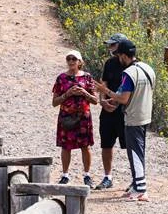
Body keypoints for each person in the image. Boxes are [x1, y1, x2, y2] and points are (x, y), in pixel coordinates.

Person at [93, 40, 156, 201]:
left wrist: (104, 91)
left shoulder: (129, 73)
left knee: (134, 152)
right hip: (145, 114)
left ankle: (140, 189)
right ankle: (136, 184)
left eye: (118, 54)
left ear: (122, 55)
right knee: (139, 150)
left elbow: (123, 97)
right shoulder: (147, 68)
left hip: (133, 117)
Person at [51, 49, 98, 186]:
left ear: (79, 62)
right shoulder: (61, 78)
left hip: (83, 117)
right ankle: (65, 175)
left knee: (85, 146)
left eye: (74, 59)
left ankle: (87, 175)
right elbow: (54, 102)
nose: (71, 61)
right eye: (69, 59)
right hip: (66, 116)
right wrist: (67, 94)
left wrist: (84, 93)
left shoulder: (87, 77)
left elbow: (95, 100)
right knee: (66, 146)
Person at [95, 33, 130, 190]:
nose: (110, 48)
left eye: (113, 45)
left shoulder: (132, 65)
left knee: (130, 145)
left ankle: (136, 179)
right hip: (108, 110)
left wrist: (116, 101)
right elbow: (104, 83)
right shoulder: (109, 63)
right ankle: (108, 177)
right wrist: (102, 101)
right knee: (106, 144)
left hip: (126, 111)